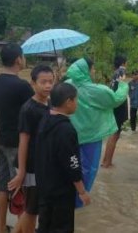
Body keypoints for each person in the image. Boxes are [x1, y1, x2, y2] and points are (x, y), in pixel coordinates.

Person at [65, 58, 128, 206]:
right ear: (87, 70)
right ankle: (79, 200)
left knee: (70, 167)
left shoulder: (66, 85)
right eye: (92, 69)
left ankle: (68, 198)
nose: (93, 72)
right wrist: (123, 84)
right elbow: (116, 99)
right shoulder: (96, 89)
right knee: (87, 169)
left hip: (69, 135)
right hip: (90, 137)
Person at [35, 83, 91, 233]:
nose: (77, 104)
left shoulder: (45, 119)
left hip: (44, 186)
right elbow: (72, 163)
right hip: (60, 191)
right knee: (61, 228)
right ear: (68, 102)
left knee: (44, 226)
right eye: (76, 100)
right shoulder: (66, 129)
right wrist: (82, 191)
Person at [0, 43, 34, 233]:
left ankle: (1, 228)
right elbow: (37, 108)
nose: (24, 59)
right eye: (23, 56)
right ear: (18, 59)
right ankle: (21, 229)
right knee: (21, 188)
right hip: (17, 144)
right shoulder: (22, 86)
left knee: (2, 187)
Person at [7, 65, 54, 233]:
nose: (48, 85)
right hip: (31, 167)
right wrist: (21, 173)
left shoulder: (50, 103)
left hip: (44, 164)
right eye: (43, 82)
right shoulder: (28, 109)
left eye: (51, 82)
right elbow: (23, 141)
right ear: (33, 83)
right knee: (31, 210)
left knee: (35, 208)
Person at [102, 55, 129, 168]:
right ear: (124, 63)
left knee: (114, 133)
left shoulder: (115, 73)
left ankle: (106, 160)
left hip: (114, 104)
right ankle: (107, 162)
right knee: (115, 134)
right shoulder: (122, 71)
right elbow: (122, 90)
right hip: (119, 105)